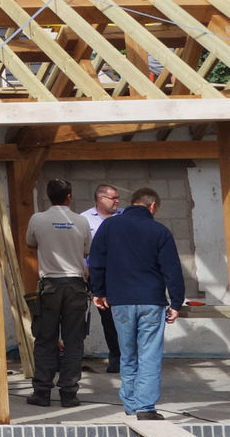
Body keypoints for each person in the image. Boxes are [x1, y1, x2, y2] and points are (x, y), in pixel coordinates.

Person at [89, 188, 185, 421]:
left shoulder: (109, 226)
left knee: (127, 353)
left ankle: (131, 403)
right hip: (151, 301)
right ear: (152, 206)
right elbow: (172, 269)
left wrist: (98, 291)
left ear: (133, 203)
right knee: (149, 354)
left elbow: (97, 260)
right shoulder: (159, 230)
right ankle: (145, 407)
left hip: (120, 301)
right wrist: (176, 302)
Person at [23, 179, 92, 407]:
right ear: (69, 196)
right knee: (74, 341)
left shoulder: (38, 219)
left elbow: (30, 242)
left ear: (48, 195)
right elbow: (86, 250)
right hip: (75, 285)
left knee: (45, 340)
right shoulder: (81, 221)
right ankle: (69, 394)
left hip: (50, 285)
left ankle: (42, 392)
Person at [82, 184, 123, 372]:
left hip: (124, 275)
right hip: (99, 276)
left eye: (118, 198)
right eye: (113, 198)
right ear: (100, 199)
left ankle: (130, 358)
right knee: (109, 319)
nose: (117, 201)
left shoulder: (124, 217)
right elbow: (80, 250)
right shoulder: (84, 219)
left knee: (126, 317)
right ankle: (116, 358)